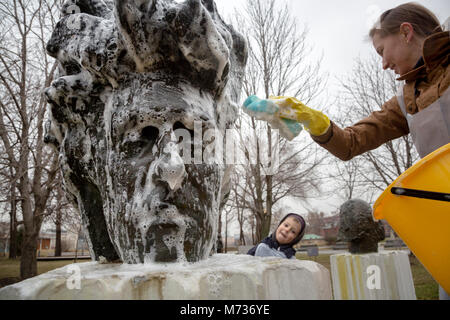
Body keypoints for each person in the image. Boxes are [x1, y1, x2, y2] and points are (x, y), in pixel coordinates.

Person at [244, 2, 449, 298]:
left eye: (382, 51)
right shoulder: (405, 99)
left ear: (406, 32)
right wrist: (312, 118)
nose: (383, 64)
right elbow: (351, 142)